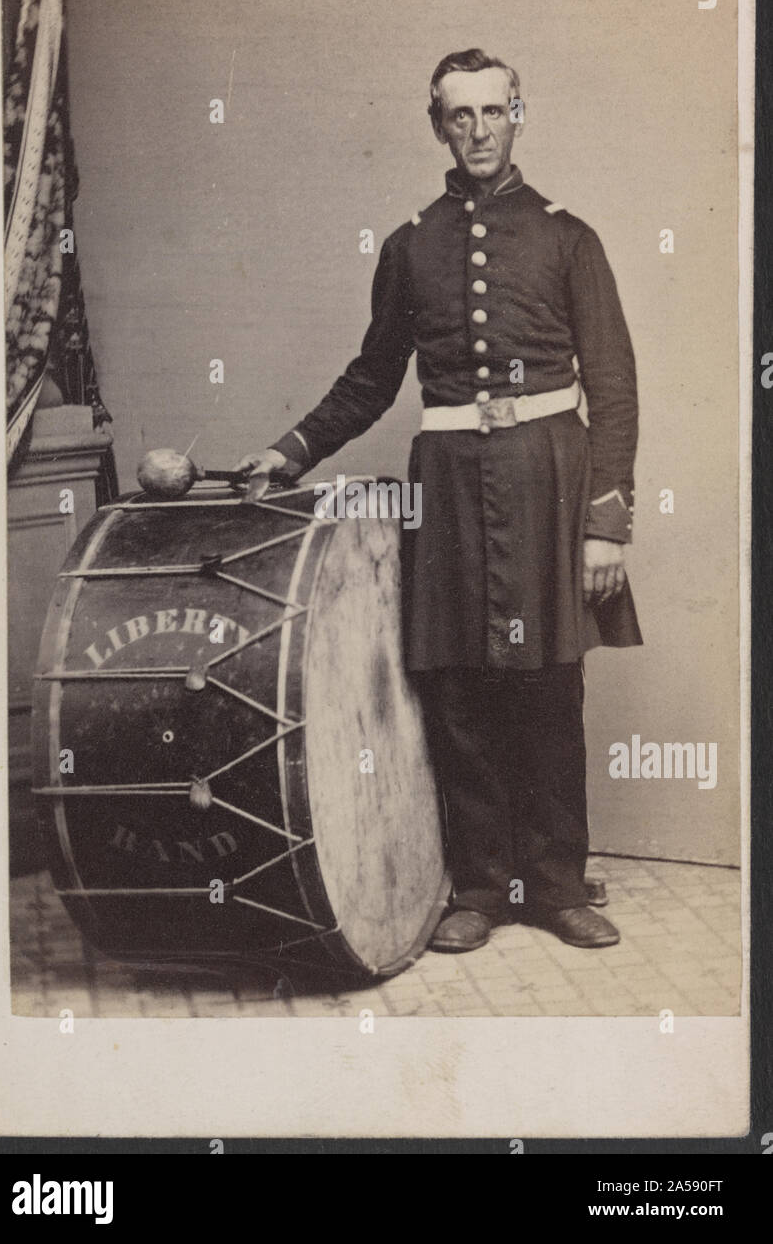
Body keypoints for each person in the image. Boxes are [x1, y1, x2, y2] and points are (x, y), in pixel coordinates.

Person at [234, 48, 641, 954]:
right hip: (448, 485)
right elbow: (373, 379)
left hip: (548, 476)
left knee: (544, 684)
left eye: (493, 112)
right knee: (456, 685)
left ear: (518, 115)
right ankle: (481, 886)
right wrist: (289, 449)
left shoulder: (570, 238)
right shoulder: (410, 245)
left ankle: (557, 882)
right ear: (437, 128)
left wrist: (603, 523)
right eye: (459, 116)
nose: (478, 130)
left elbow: (612, 389)